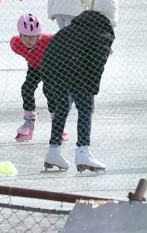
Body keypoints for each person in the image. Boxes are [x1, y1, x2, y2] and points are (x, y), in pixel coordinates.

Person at [41, 10, 115, 172]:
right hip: (77, 74)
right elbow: (97, 64)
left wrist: (48, 82)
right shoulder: (101, 34)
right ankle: (83, 151)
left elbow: (47, 56)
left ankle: (53, 151)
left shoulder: (67, 31)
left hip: (54, 72)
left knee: (61, 108)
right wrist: (92, 91)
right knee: (85, 109)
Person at [10, 14, 68, 142]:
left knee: (49, 90)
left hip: (51, 67)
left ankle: (58, 122)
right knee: (26, 88)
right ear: (20, 35)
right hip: (34, 67)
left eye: (33, 37)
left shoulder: (50, 40)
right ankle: (29, 120)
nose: (29, 41)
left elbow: (67, 40)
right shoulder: (15, 44)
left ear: (39, 35)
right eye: (26, 37)